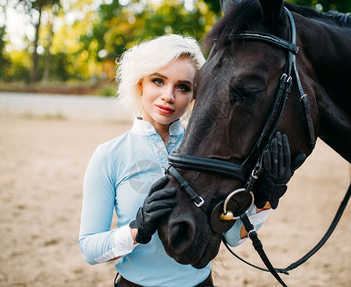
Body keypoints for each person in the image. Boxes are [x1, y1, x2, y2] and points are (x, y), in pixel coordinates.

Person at [78, 34, 294, 287]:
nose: (168, 95)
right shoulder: (109, 155)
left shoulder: (212, 152)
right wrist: (137, 230)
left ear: (195, 95)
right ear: (140, 85)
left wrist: (267, 198)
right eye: (158, 81)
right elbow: (89, 249)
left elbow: (234, 237)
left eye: (182, 87)